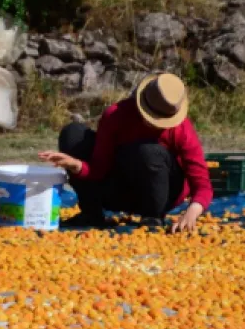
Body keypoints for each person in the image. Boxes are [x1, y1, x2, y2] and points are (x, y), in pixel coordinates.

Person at [39, 72, 212, 233]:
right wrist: (76, 166)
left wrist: (192, 212)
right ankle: (92, 213)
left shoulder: (181, 129)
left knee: (148, 151)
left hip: (161, 191)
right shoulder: (116, 116)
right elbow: (99, 169)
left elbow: (202, 185)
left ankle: (152, 217)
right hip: (121, 186)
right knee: (74, 134)